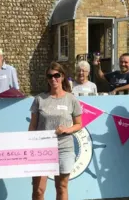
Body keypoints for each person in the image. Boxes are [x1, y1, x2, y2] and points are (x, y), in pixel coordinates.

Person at [28, 62, 82, 200]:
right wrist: (29, 144)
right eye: (49, 76)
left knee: (61, 187)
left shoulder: (71, 99)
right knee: (38, 190)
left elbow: (78, 124)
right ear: (46, 79)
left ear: (62, 76)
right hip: (42, 149)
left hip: (64, 148)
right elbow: (32, 127)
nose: (53, 79)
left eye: (56, 75)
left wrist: (67, 129)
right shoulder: (39, 99)